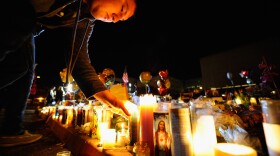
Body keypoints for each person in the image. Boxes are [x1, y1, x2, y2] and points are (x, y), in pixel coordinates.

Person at [0, 0, 136, 147]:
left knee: (24, 65)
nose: (115, 19)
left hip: (27, 24)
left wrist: (111, 100)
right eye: (123, 8)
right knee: (21, 34)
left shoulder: (84, 20)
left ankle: (12, 129)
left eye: (120, 19)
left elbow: (79, 62)